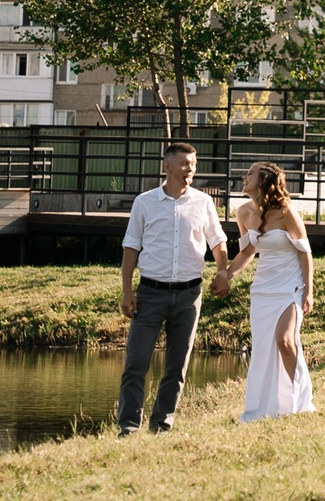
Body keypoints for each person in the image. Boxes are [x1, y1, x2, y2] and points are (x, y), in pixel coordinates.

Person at [117, 141, 230, 435]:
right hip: (150, 293)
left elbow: (217, 241)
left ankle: (161, 426)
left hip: (189, 295)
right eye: (184, 164)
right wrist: (128, 291)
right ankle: (128, 428)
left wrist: (222, 271)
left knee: (177, 367)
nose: (189, 169)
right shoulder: (144, 202)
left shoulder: (203, 202)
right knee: (136, 364)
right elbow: (131, 248)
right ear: (167, 166)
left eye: (193, 164)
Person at [214, 161, 316, 422]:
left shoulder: (286, 212)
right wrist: (226, 275)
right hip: (263, 290)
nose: (244, 177)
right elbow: (248, 251)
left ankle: (298, 402)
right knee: (263, 349)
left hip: (290, 286)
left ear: (264, 182)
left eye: (250, 173)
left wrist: (309, 291)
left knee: (285, 341)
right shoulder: (243, 212)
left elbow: (305, 253)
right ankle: (264, 408)